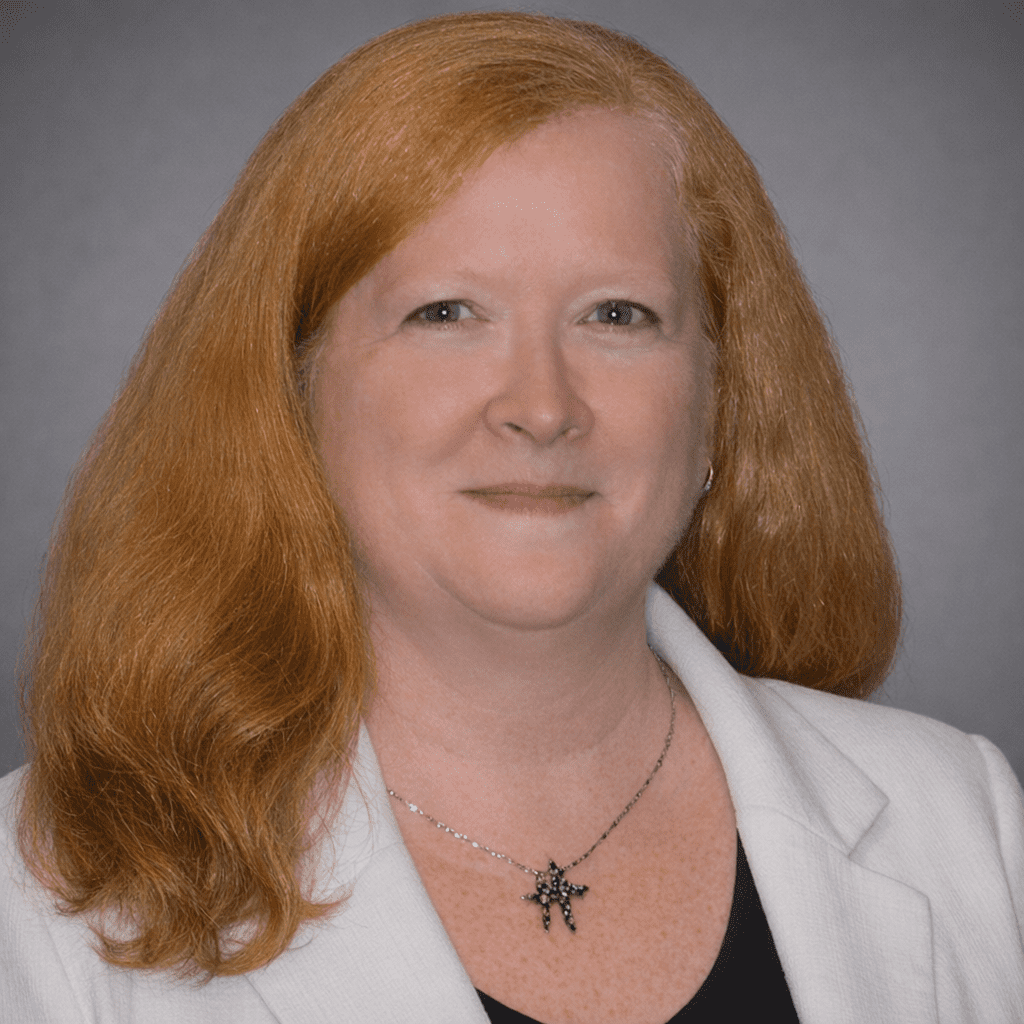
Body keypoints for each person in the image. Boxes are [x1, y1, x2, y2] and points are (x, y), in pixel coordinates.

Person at [1, 11, 1021, 1023]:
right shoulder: (34, 894)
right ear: (293, 392)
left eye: (616, 315)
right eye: (446, 313)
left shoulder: (968, 821)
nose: (540, 405)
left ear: (719, 400)